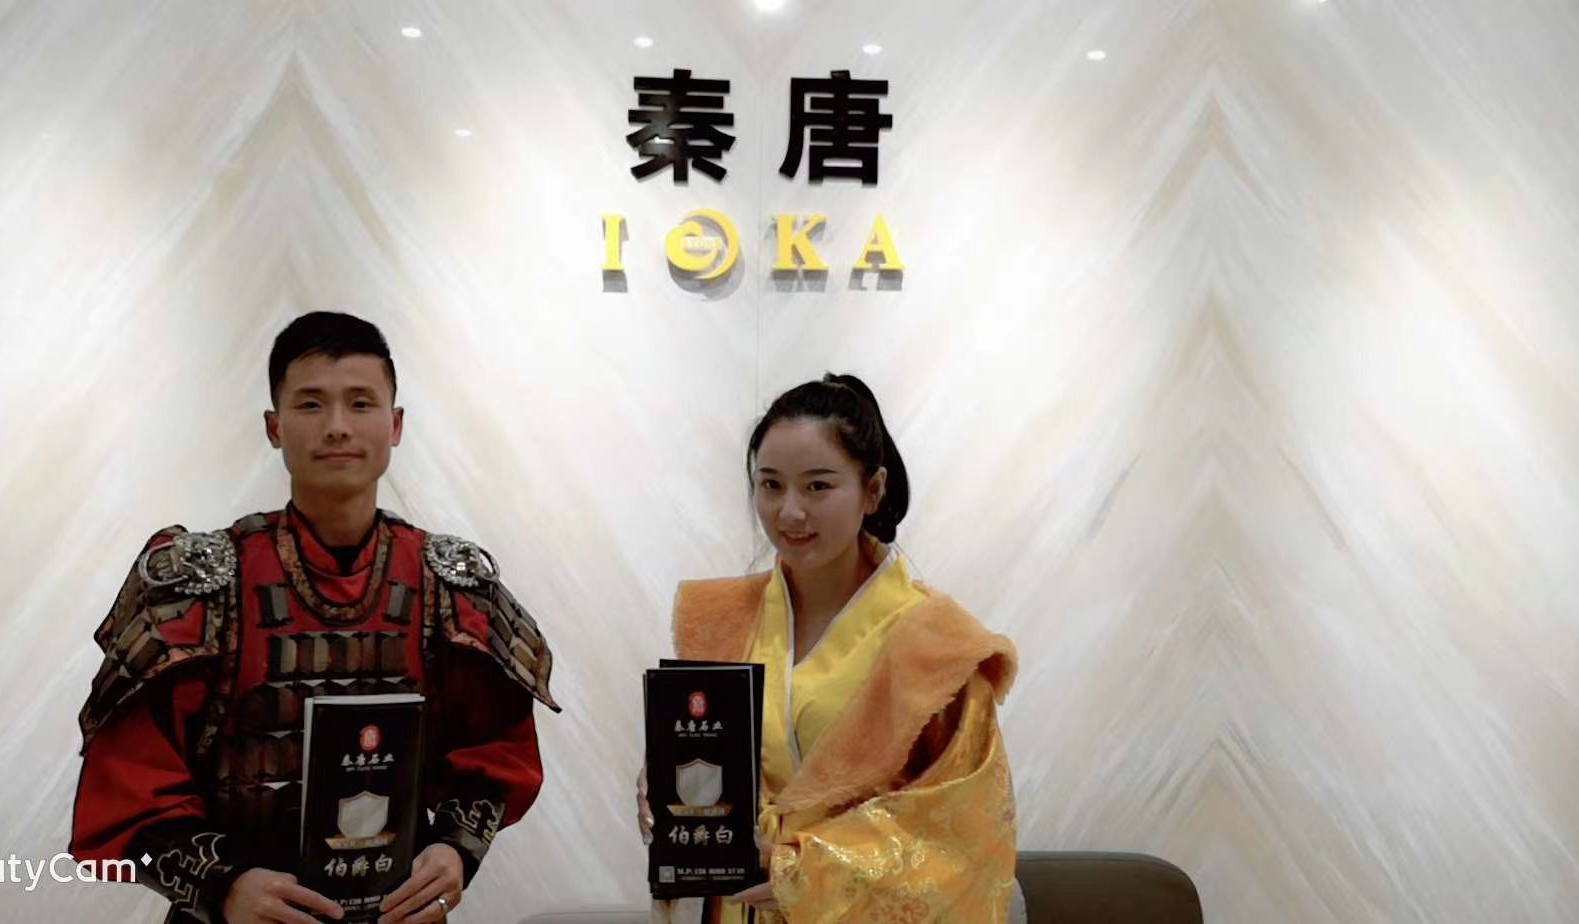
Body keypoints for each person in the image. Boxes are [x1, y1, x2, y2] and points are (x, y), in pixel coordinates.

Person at [71, 311, 559, 924]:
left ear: (395, 425)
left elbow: (496, 757)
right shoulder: (201, 588)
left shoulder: (448, 586)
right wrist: (222, 887)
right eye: (310, 404)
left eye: (360, 403)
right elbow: (126, 800)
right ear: (274, 427)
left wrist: (455, 852)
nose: (336, 427)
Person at [642, 374, 1019, 923]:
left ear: (873, 490)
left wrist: (810, 869)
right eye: (771, 485)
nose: (789, 512)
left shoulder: (937, 643)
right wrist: (667, 790)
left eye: (817, 486)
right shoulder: (725, 618)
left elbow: (962, 827)